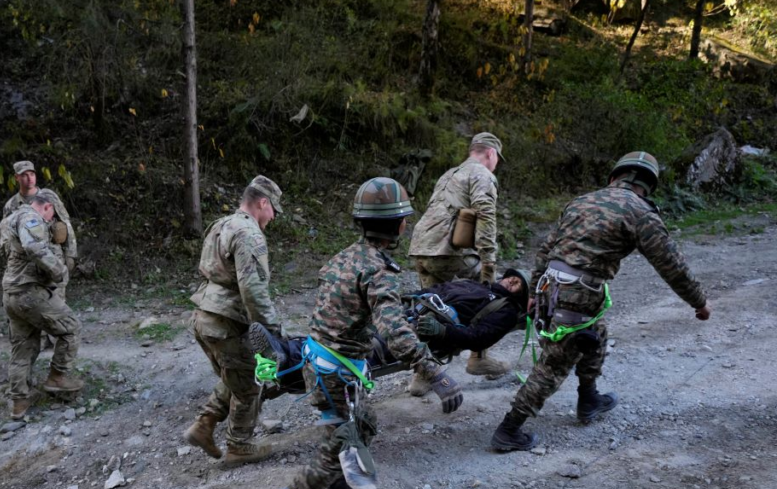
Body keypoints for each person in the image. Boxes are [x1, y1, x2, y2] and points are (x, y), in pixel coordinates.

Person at [248, 178, 460, 489]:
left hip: (321, 361)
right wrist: (436, 373)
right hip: (336, 375)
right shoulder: (379, 271)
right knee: (336, 454)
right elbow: (396, 335)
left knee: (364, 424)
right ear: (399, 225)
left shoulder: (342, 257)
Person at [491, 152, 712, 452]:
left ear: (613, 178)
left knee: (597, 334)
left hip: (552, 286)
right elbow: (671, 264)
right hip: (578, 294)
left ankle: (589, 397)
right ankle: (509, 429)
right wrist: (698, 302)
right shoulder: (641, 213)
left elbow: (547, 247)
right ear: (648, 186)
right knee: (555, 363)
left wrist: (534, 291)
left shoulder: (581, 201)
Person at [248, 269, 531, 403]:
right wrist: (410, 296)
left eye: (517, 283)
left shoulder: (504, 311)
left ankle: (286, 364)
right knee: (347, 329)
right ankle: (286, 351)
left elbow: (478, 338)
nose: (511, 280)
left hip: (427, 330)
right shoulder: (475, 284)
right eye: (511, 277)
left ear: (520, 296)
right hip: (410, 310)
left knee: (367, 349)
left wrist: (443, 330)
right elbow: (441, 287)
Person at [183, 176, 286, 465]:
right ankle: (239, 445)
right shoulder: (249, 234)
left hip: (205, 316)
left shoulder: (221, 224)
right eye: (273, 210)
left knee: (236, 373)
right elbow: (252, 290)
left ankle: (204, 425)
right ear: (263, 203)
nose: (274, 216)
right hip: (227, 321)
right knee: (252, 381)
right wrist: (271, 331)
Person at [408, 132, 510, 382]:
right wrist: (488, 259)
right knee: (489, 294)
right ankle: (478, 357)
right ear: (491, 153)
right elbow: (486, 214)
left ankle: (422, 377)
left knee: (430, 309)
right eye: (497, 159)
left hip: (421, 247)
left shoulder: (449, 174)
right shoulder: (482, 174)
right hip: (445, 251)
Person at [0, 190, 83, 419]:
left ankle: (19, 401)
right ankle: (58, 376)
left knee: (23, 346)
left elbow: (6, 251)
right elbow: (34, 247)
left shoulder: (8, 220)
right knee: (71, 328)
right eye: (51, 215)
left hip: (11, 294)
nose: (51, 221)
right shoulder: (31, 218)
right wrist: (59, 271)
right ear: (46, 207)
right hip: (31, 293)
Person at [2, 160, 77, 291]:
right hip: (26, 264)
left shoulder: (49, 197)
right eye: (24, 175)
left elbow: (66, 224)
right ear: (16, 178)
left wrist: (70, 254)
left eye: (31, 174)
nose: (29, 178)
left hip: (53, 256)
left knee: (57, 298)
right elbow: (6, 236)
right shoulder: (11, 205)